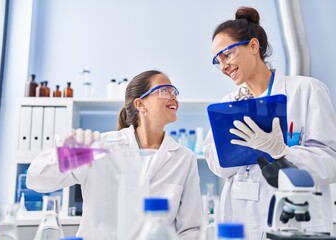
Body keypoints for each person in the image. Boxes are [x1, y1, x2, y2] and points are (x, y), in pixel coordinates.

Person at [203, 6, 336, 240]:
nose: (223, 66)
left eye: (227, 54)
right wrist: (236, 150)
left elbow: (330, 163)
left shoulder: (306, 91)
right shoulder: (227, 105)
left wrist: (282, 151)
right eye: (217, 61)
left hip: (296, 222)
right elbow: (217, 165)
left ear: (253, 46)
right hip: (241, 223)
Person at [26, 70, 202, 240]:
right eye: (164, 90)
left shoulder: (184, 159)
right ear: (140, 104)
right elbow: (36, 180)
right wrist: (65, 156)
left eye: (174, 92)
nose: (173, 96)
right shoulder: (99, 147)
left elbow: (191, 229)